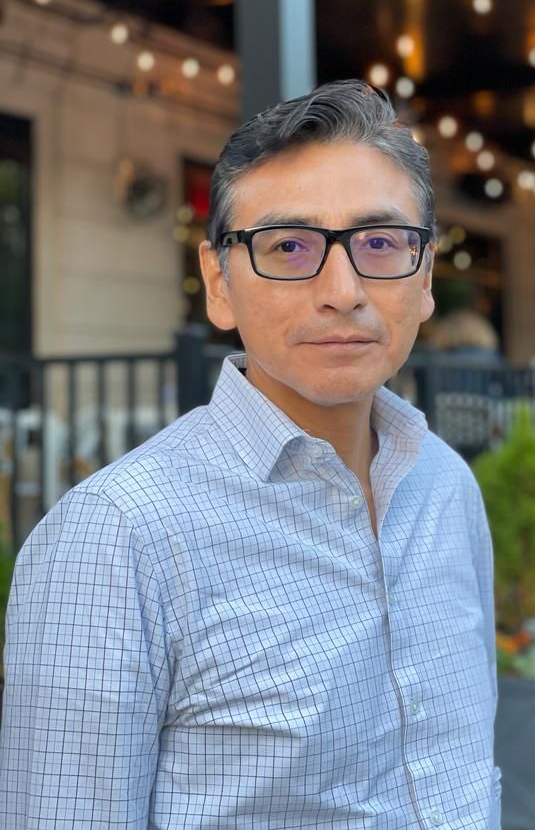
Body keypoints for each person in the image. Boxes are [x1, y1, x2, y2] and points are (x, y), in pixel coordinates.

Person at [0, 80, 501, 828]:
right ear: (219, 283)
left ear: (425, 276)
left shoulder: (446, 484)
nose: (343, 290)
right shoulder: (117, 536)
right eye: (289, 247)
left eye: (380, 243)